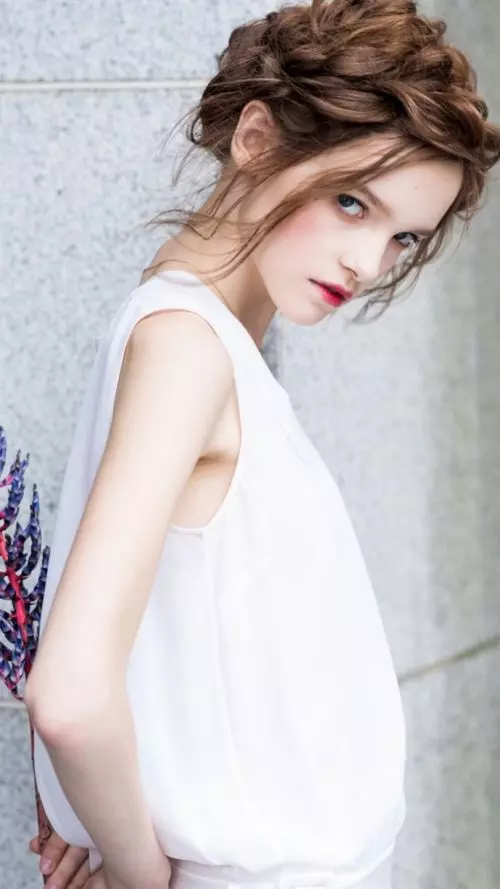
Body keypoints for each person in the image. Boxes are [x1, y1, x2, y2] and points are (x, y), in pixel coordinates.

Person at [24, 1, 500, 888]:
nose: (368, 262)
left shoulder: (192, 338)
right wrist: (137, 872)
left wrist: (99, 806)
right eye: (352, 202)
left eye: (401, 237)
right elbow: (70, 693)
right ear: (255, 138)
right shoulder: (187, 349)